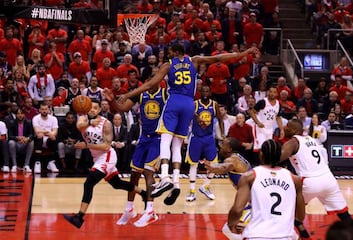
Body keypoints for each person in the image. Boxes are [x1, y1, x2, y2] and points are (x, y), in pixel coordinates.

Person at [105, 43, 258, 205]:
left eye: (170, 51)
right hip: (189, 104)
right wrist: (245, 52)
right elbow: (219, 57)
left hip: (174, 102)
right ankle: (176, 182)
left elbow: (150, 85)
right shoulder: (195, 60)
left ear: (176, 52)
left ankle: (164, 177)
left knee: (165, 140)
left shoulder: (168, 65)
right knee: (177, 145)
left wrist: (127, 93)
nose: (167, 54)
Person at [63, 99, 147, 229]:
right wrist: (90, 122)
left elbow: (107, 146)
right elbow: (79, 126)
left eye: (96, 108)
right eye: (91, 107)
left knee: (88, 183)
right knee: (117, 184)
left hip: (107, 156)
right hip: (97, 158)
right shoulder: (83, 119)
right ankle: (144, 194)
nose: (93, 110)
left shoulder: (106, 124)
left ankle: (79, 217)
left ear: (100, 110)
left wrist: (86, 145)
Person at [105, 82, 167, 227]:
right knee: (134, 174)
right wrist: (111, 100)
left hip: (158, 138)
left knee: (148, 171)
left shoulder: (165, 94)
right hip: (143, 137)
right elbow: (122, 108)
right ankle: (129, 209)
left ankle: (150, 210)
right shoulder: (141, 94)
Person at [281, 119, 352, 238]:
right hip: (328, 179)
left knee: (289, 209)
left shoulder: (292, 142)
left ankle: (298, 235)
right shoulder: (311, 139)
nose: (284, 127)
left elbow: (277, 158)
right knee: (343, 213)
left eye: (287, 126)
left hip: (310, 181)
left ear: (293, 130)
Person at [227, 139, 305, 239]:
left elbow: (237, 210)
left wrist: (231, 224)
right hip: (285, 235)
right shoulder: (295, 179)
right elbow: (300, 216)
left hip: (257, 235)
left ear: (261, 155)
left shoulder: (249, 176)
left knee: (228, 230)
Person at [205, 137, 252, 239]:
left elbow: (226, 166)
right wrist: (214, 166)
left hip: (256, 204)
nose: (220, 146)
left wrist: (214, 168)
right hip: (254, 201)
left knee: (231, 228)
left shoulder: (231, 160)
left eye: (223, 144)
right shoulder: (239, 158)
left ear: (229, 149)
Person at [185, 86, 224, 202]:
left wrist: (223, 135)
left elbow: (220, 120)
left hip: (208, 138)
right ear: (200, 92)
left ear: (210, 92)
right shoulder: (195, 104)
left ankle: (205, 186)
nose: (205, 93)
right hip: (196, 138)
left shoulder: (214, 104)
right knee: (193, 164)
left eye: (207, 91)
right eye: (203, 91)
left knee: (214, 164)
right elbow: (188, 117)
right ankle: (192, 191)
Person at [248, 85, 284, 153]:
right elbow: (251, 112)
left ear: (277, 94)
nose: (272, 94)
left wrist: (282, 129)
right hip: (260, 129)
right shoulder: (263, 102)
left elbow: (278, 117)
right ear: (268, 92)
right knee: (261, 148)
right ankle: (258, 163)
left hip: (270, 129)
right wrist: (257, 122)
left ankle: (266, 163)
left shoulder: (278, 104)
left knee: (268, 149)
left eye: (274, 92)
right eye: (270, 92)